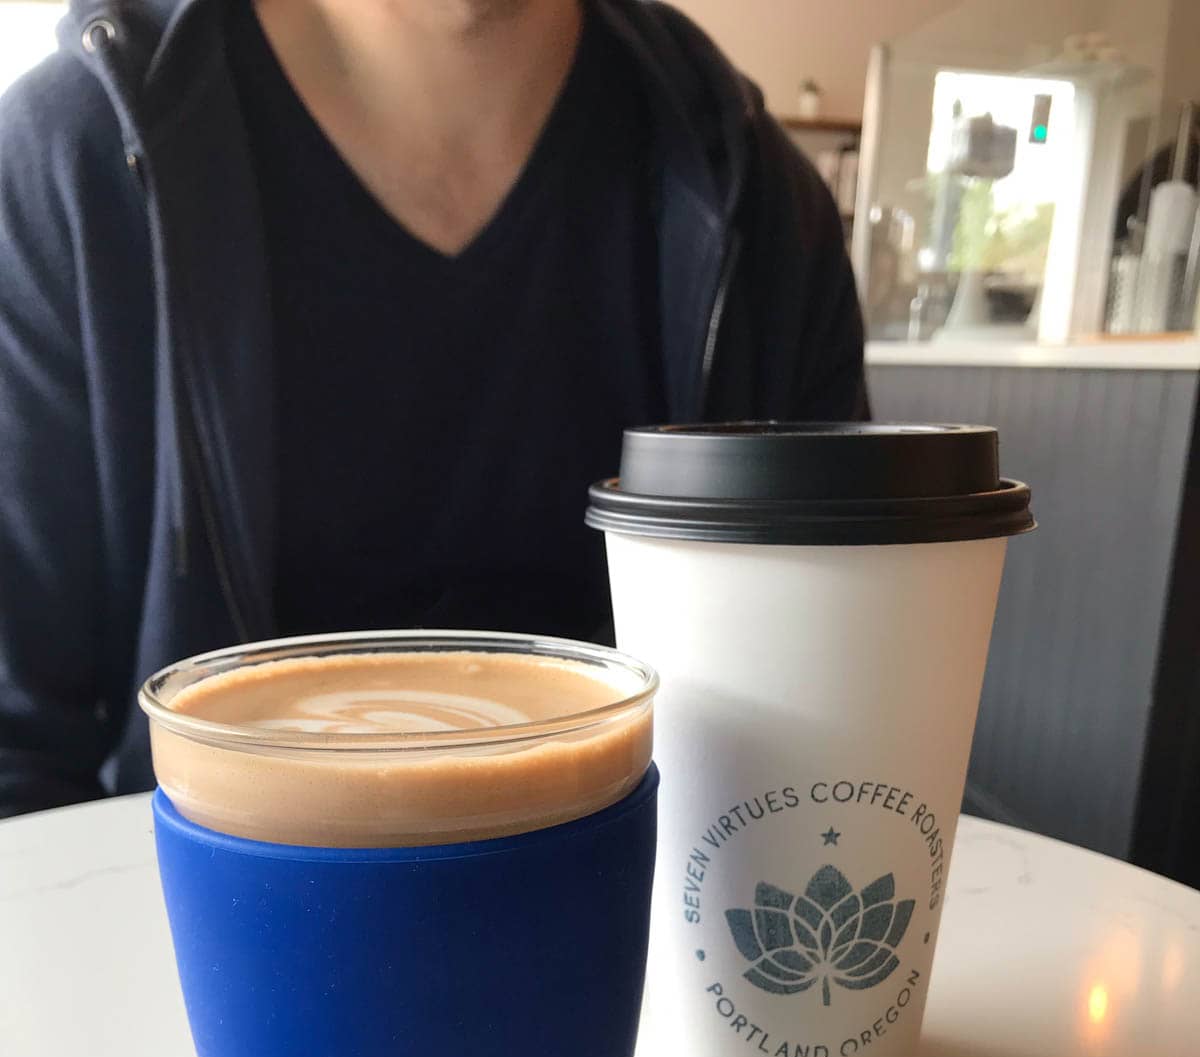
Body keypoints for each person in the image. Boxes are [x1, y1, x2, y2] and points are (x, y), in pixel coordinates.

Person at [0, 0, 867, 817]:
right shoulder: (61, 171)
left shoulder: (767, 210)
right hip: (183, 945)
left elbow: (835, 716)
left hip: (661, 950)